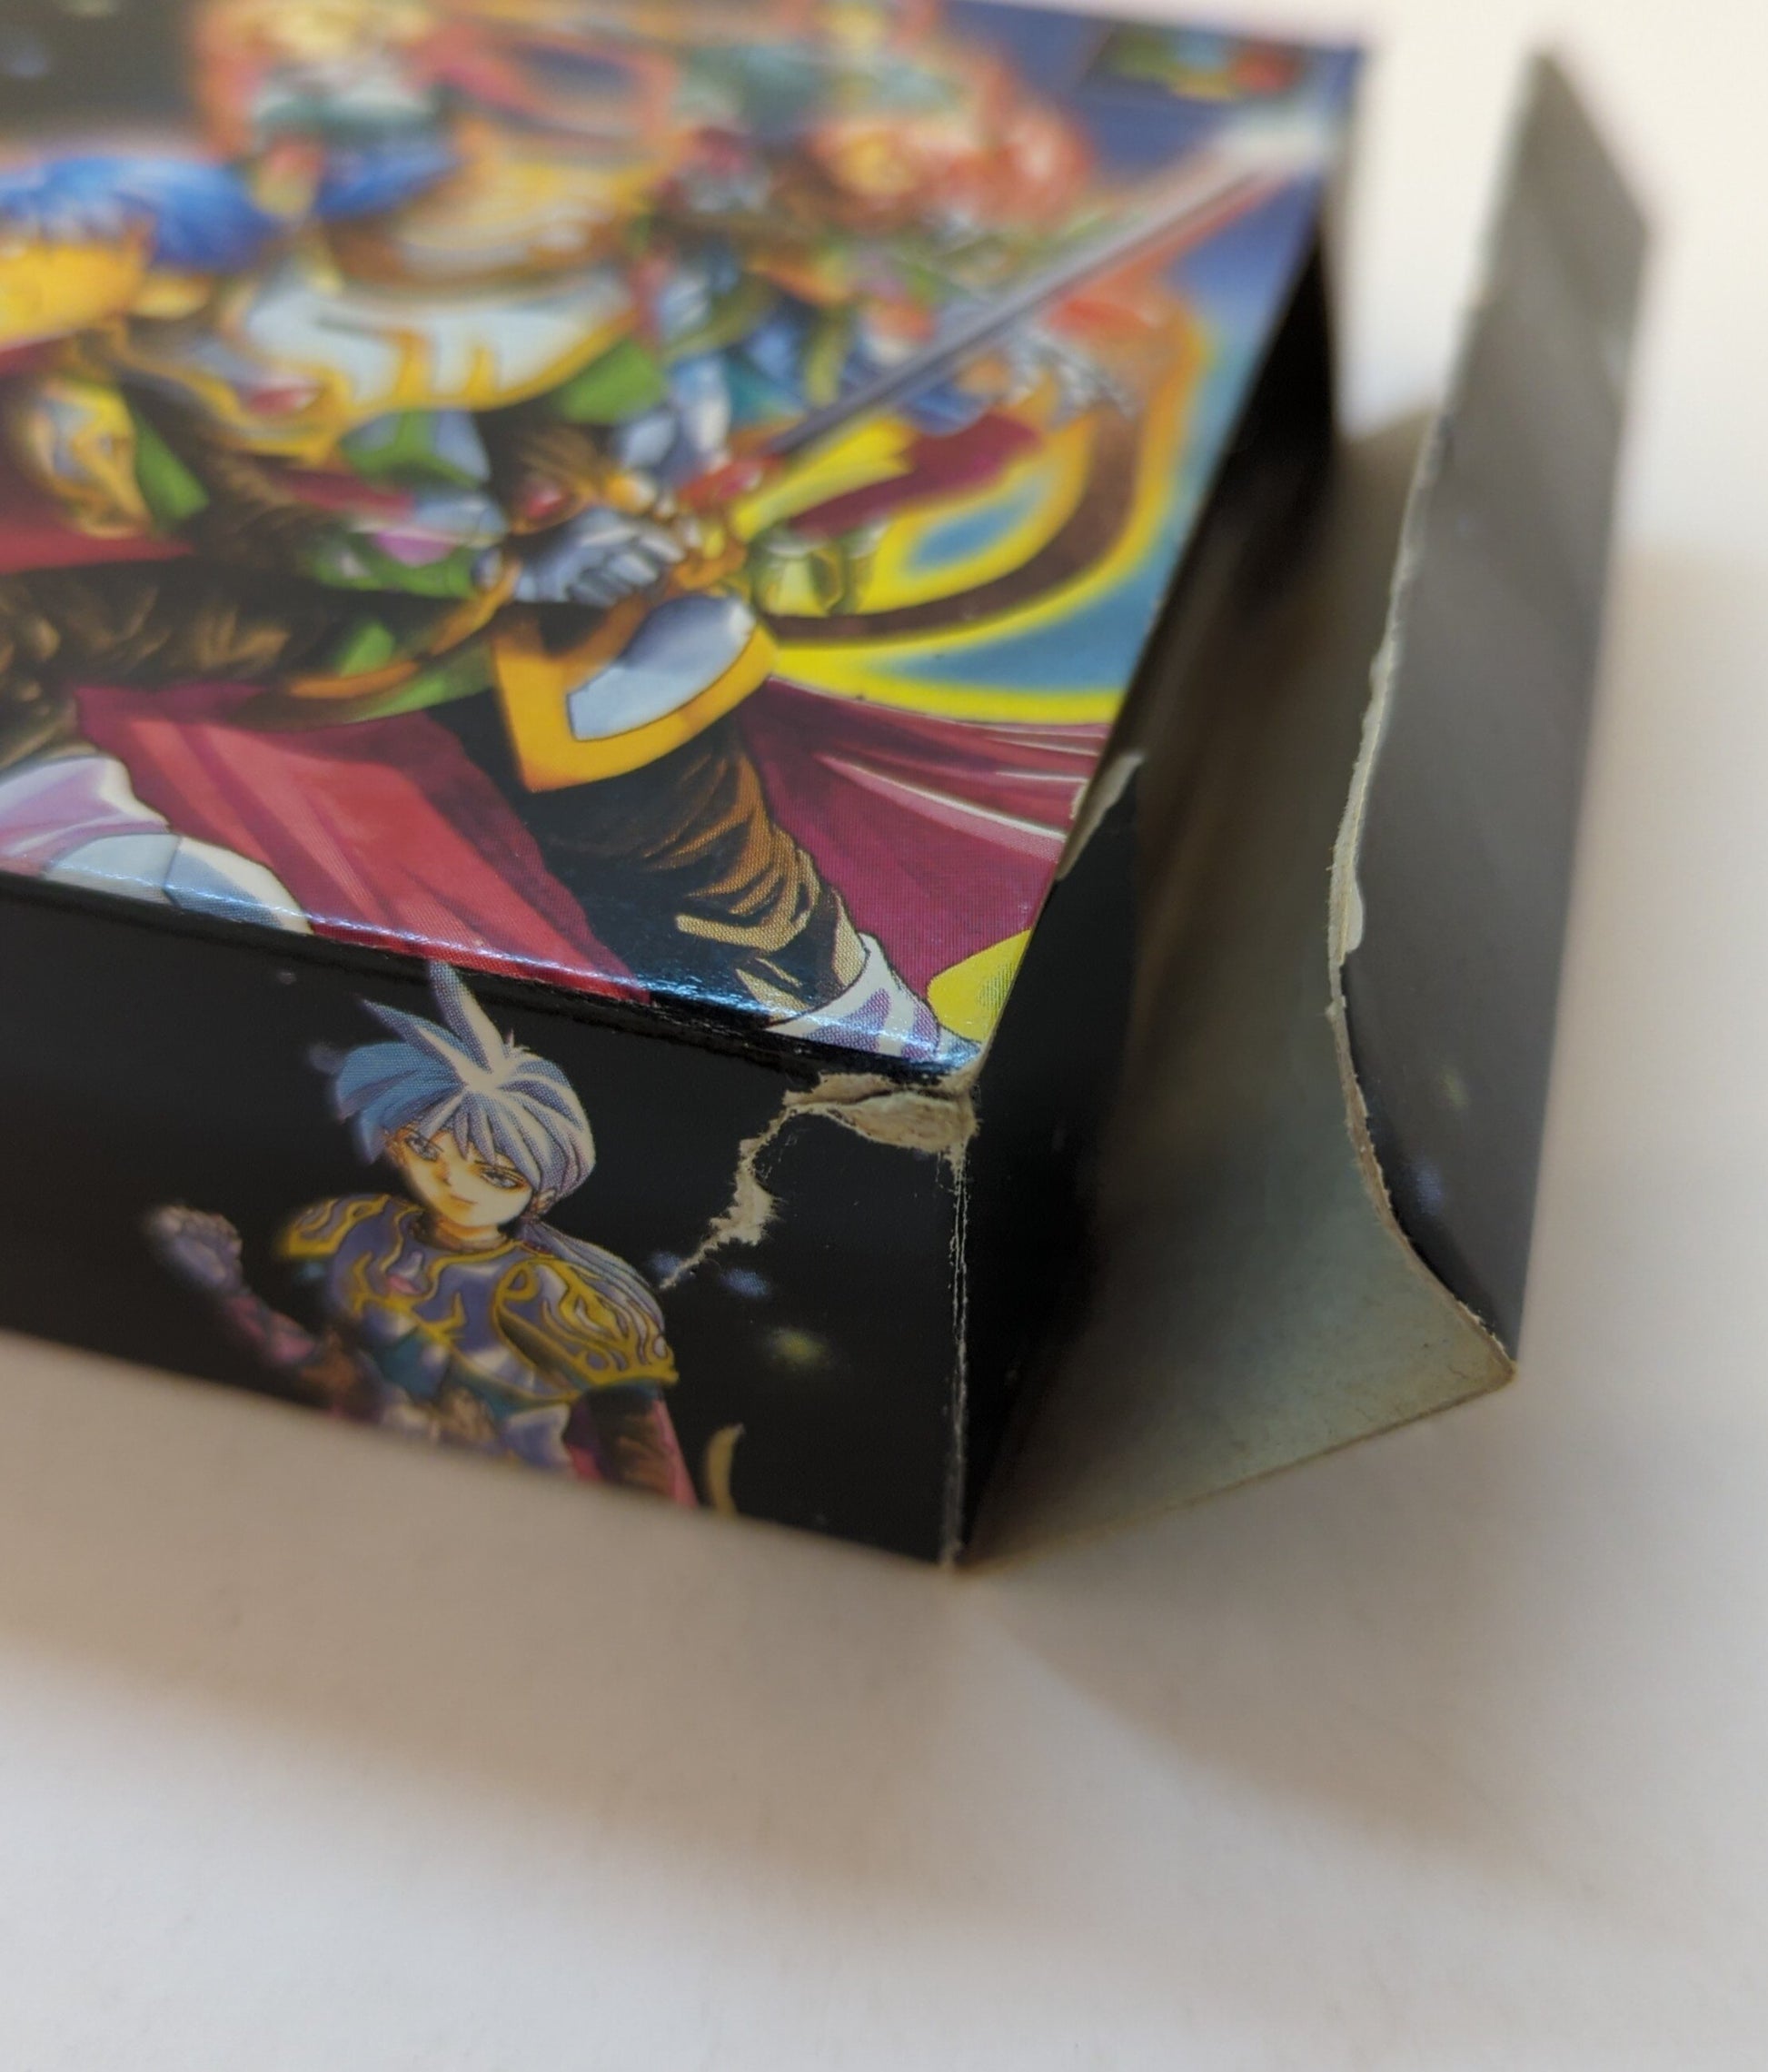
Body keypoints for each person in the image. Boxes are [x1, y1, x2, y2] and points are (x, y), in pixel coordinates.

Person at [147, 962, 697, 1502]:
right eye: (427, 1150)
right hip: (356, 1484)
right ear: (395, 1141)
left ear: (541, 1194)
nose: (453, 1181)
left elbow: (643, 1464)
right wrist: (230, 1293)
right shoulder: (361, 1235)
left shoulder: (563, 1297)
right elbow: (337, 1379)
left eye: (496, 1175)